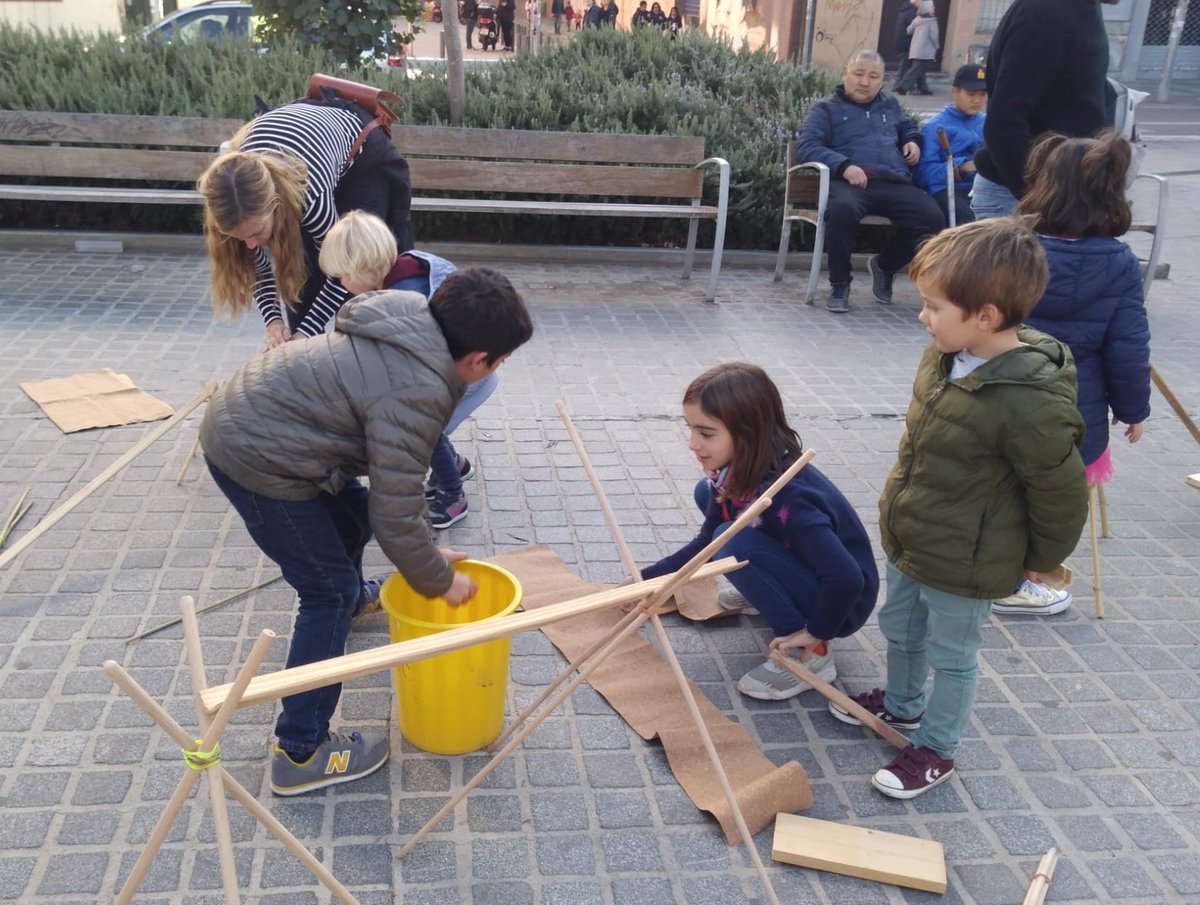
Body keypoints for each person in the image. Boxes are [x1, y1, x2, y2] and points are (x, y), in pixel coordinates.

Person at [201, 269, 534, 795]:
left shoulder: (410, 322)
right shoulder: (420, 389)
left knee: (352, 517)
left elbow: (394, 489)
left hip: (263, 426)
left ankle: (356, 600)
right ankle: (301, 751)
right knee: (326, 593)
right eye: (500, 361)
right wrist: (438, 579)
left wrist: (428, 557)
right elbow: (396, 511)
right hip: (259, 459)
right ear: (478, 361)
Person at [828, 218, 1088, 799]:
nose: (923, 316)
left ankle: (937, 748)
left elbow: (1060, 490)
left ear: (985, 316)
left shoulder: (1031, 402)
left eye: (933, 306)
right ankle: (902, 704)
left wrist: (1041, 559)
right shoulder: (944, 356)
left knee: (952, 655)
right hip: (915, 534)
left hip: (969, 559)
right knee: (901, 627)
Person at [640, 363, 879, 702]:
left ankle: (809, 655)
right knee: (711, 505)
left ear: (747, 434)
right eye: (691, 429)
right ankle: (770, 592)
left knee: (734, 539)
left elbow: (847, 579)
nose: (693, 444)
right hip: (818, 577)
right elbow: (706, 543)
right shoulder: (734, 474)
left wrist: (816, 632)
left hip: (842, 603)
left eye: (706, 434)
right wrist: (647, 580)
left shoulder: (792, 498)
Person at [990, 131, 1151, 616]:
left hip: (999, 400)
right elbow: (1127, 347)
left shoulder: (1010, 246)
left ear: (1044, 184)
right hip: (1074, 413)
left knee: (999, 487)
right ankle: (1029, 576)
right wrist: (1133, 410)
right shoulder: (1120, 262)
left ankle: (993, 568)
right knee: (1055, 497)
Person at [318, 210, 496, 530]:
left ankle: (453, 494)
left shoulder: (403, 297)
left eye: (343, 275)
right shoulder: (401, 275)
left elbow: (413, 377)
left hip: (467, 376)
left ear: (362, 267)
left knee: (421, 429)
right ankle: (455, 465)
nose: (342, 284)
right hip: (456, 370)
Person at [198, 100, 414, 350]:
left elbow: (342, 269)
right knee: (298, 276)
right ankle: (305, 357)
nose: (250, 244)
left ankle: (369, 353)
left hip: (361, 157)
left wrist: (305, 333)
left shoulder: (312, 198)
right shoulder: (229, 198)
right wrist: (274, 324)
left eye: (256, 233)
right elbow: (256, 265)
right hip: (308, 152)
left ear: (275, 205)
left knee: (359, 271)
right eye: (241, 237)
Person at [794, 49, 944, 313]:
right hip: (849, 184)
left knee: (933, 219)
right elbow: (807, 146)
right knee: (842, 212)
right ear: (845, 74)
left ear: (882, 80)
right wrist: (844, 165)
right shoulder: (825, 109)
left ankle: (885, 265)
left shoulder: (890, 105)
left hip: (893, 181)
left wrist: (912, 141)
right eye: (859, 74)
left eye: (873, 77)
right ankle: (840, 284)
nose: (865, 82)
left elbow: (908, 127)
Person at [971, 0, 1116, 219]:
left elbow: (1088, 95)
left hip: (1065, 193)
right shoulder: (1043, 12)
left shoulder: (1082, 7)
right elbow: (1004, 122)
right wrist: (1041, 199)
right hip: (1023, 199)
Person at [913, 64, 987, 227]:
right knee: (970, 222)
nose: (977, 100)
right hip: (946, 189)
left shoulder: (988, 123)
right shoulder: (935, 126)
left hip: (981, 188)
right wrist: (959, 166)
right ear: (955, 93)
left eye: (982, 94)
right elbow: (922, 174)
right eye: (971, 94)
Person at [894, 1, 938, 96]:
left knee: (920, 68)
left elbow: (909, 30)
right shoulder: (932, 21)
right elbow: (934, 36)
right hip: (925, 50)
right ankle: (903, 87)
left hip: (915, 49)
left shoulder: (917, 19)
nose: (934, 8)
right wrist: (937, 46)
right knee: (916, 69)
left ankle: (923, 88)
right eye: (932, 7)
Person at [891, 0, 919, 94]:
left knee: (905, 64)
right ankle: (898, 86)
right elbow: (913, 27)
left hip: (903, 41)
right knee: (904, 65)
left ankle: (901, 85)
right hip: (907, 42)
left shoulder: (905, 9)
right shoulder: (912, 12)